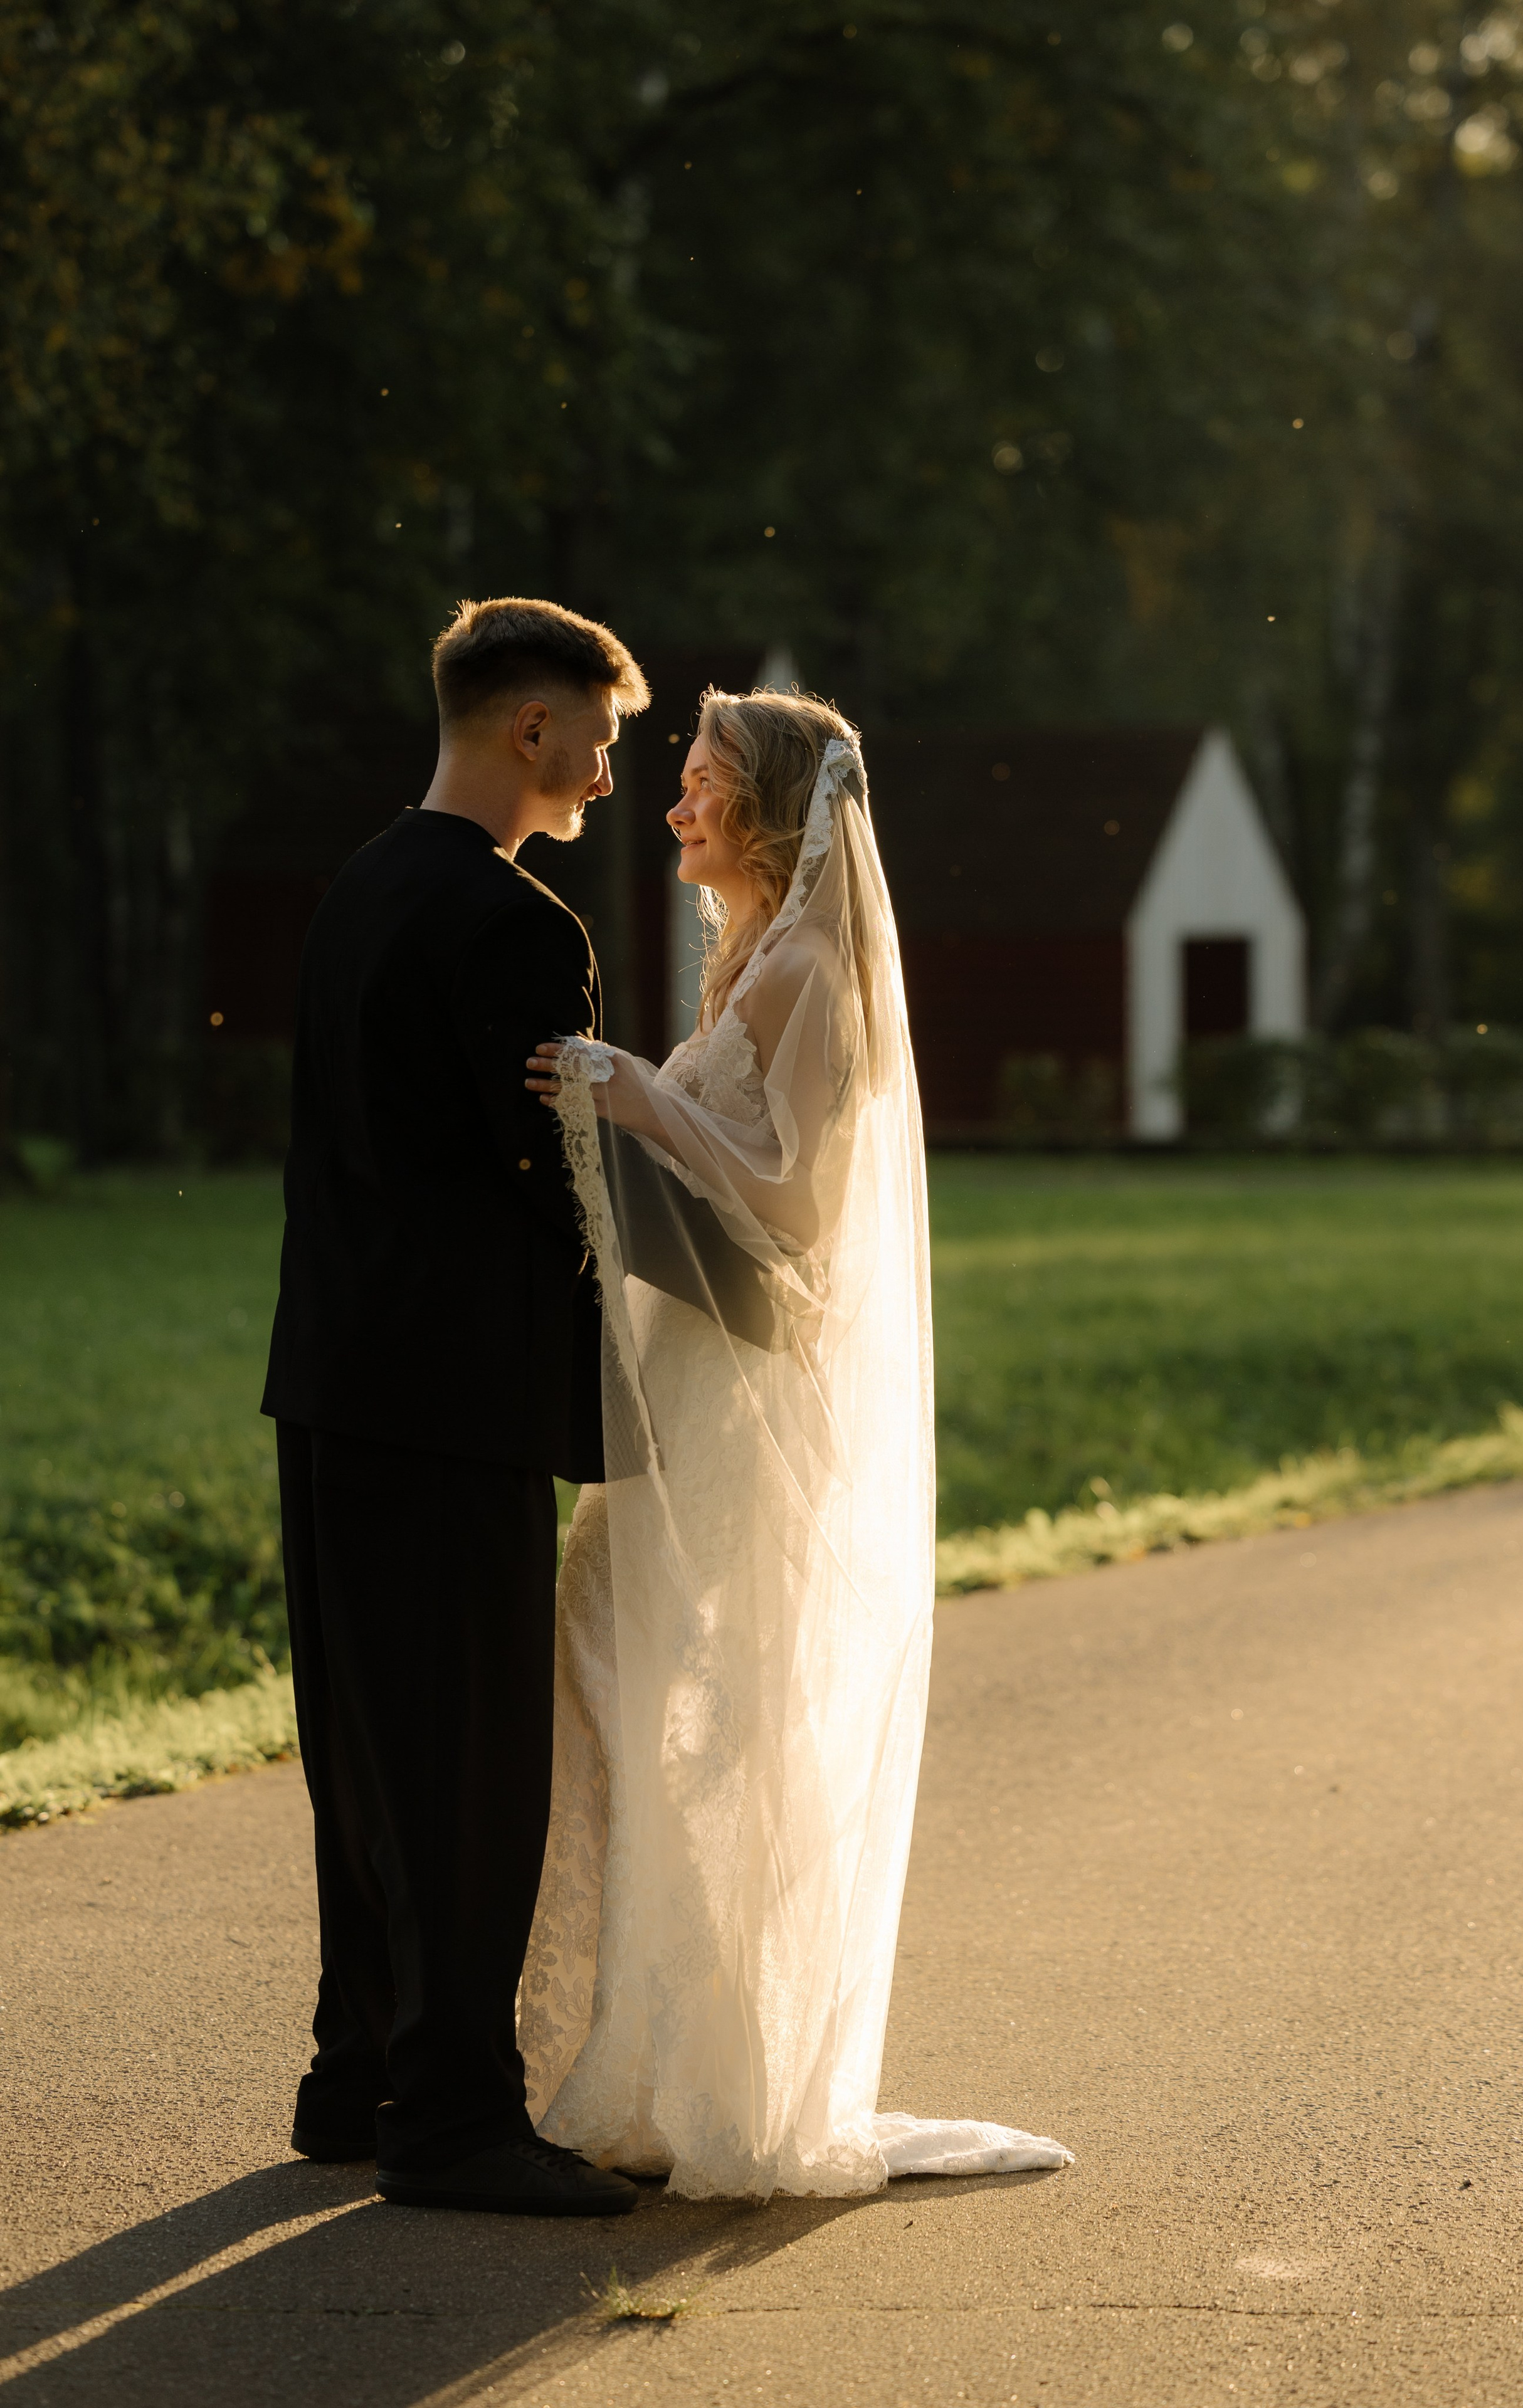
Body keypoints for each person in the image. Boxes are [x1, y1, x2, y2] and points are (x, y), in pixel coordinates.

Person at [520, 690, 1072, 2198]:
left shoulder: (813, 971)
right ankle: (632, 2048)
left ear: (764, 810)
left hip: (739, 1395)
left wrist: (642, 1097)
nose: (672, 803)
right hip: (687, 1369)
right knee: (625, 1676)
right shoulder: (754, 956)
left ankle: (717, 2071)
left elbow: (795, 1210)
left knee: (683, 1695)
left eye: (699, 781)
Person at [262, 596, 648, 2216]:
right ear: (530, 727)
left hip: (334, 1378)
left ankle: (354, 2074)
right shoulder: (513, 924)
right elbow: (557, 1176)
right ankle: (453, 2117)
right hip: (456, 1400)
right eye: (601, 741)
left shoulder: (358, 888)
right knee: (471, 1765)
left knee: (366, 1751)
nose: (610, 777)